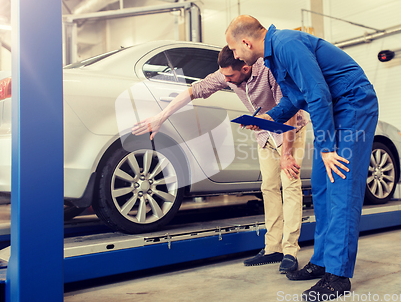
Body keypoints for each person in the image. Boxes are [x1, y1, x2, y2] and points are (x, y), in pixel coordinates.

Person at [225, 15, 379, 302]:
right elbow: (296, 99)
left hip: (353, 105)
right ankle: (321, 260)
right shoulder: (273, 57)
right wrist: (269, 118)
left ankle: (338, 275)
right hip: (335, 108)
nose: (235, 56)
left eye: (234, 50)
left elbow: (318, 94)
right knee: (320, 187)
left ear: (245, 42)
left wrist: (328, 148)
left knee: (341, 187)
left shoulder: (286, 43)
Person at [132, 45, 309, 273]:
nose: (225, 80)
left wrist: (286, 154)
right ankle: (273, 248)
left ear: (245, 69)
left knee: (290, 186)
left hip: (291, 130)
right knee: (269, 188)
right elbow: (193, 90)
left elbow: (291, 111)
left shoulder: (269, 71)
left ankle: (290, 251)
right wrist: (160, 117)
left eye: (229, 76)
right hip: (265, 132)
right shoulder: (227, 75)